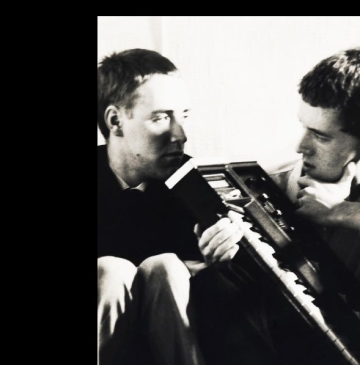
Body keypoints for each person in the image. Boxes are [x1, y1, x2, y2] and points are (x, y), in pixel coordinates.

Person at [97, 48, 276, 365]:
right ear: (115, 121)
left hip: (181, 339)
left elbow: (254, 300)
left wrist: (222, 263)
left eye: (184, 116)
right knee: (113, 271)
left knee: (165, 267)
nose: (181, 135)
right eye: (161, 118)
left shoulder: (200, 185)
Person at [267, 47, 360, 348]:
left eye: (321, 136)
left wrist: (339, 211)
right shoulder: (271, 181)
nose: (301, 146)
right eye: (304, 127)